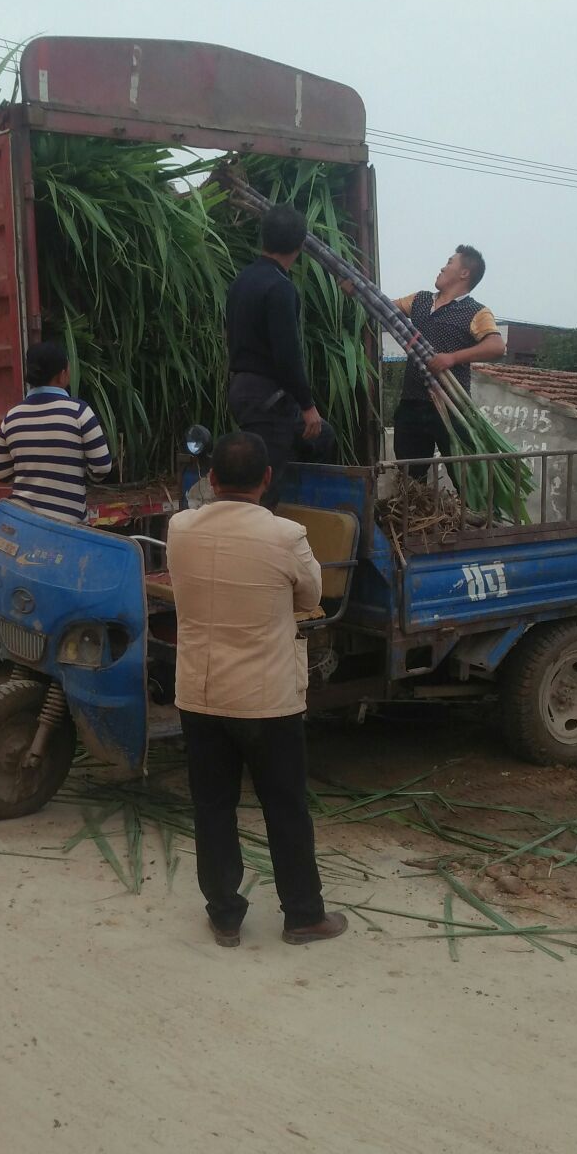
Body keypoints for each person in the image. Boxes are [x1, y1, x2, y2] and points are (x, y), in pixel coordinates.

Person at [166, 430, 348, 949]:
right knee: (285, 806)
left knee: (213, 807)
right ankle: (304, 916)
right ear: (268, 479)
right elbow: (311, 592)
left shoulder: (180, 529)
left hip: (200, 696)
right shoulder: (287, 536)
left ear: (213, 479)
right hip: (267, 700)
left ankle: (225, 916)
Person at [225, 204, 325, 511]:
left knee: (323, 438)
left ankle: (290, 515)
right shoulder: (280, 288)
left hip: (242, 391)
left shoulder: (241, 281)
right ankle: (264, 538)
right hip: (269, 399)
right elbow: (287, 354)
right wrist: (307, 406)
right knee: (263, 491)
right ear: (299, 245)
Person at [392, 245, 505, 481]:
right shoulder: (420, 300)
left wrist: (452, 358)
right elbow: (386, 307)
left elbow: (496, 347)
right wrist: (357, 292)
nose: (443, 267)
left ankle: (475, 515)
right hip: (412, 403)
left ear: (464, 273)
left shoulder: (476, 312)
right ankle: (412, 515)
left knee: (464, 476)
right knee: (409, 476)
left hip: (451, 405)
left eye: (450, 262)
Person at [0, 341, 112, 523]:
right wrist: (78, 474)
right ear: (62, 374)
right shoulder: (79, 412)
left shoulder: (11, 417)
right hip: (67, 528)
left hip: (24, 523)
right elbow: (102, 467)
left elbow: (3, 474)